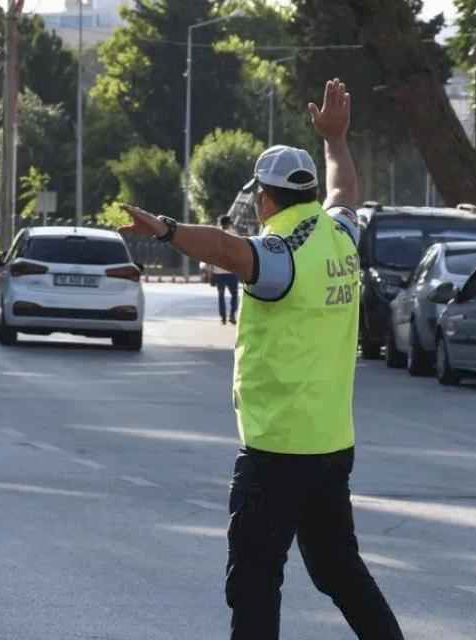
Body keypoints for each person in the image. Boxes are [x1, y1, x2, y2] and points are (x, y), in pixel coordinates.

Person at [119, 79, 404, 640]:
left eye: (259, 197)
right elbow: (345, 188)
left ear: (267, 197)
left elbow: (228, 249)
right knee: (337, 570)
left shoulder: (280, 254)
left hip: (276, 450)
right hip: (330, 445)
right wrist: (335, 140)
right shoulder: (339, 236)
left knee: (252, 580)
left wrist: (168, 229)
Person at [203, 215, 240, 324]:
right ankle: (232, 315)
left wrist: (209, 271)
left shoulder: (215, 235)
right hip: (231, 271)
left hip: (218, 273)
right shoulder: (234, 234)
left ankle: (223, 317)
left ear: (220, 223)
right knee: (234, 295)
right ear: (229, 223)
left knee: (221, 295)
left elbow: (210, 254)